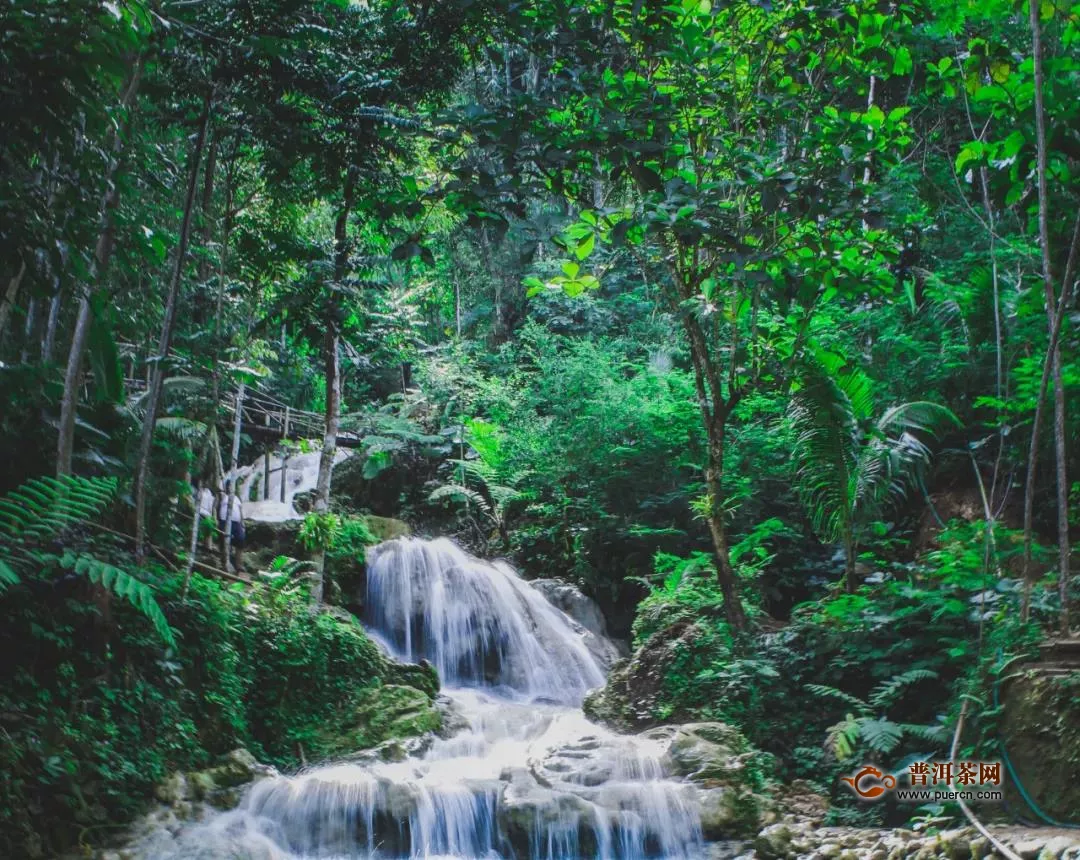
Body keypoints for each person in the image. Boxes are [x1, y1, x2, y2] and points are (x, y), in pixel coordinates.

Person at [218, 488, 246, 573]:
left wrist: (242, 522)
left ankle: (239, 564)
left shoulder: (237, 498)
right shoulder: (222, 496)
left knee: (240, 540)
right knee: (224, 541)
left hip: (236, 523)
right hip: (224, 520)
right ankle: (224, 563)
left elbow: (240, 511)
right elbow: (216, 507)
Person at [197, 485, 216, 550]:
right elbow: (211, 507)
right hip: (204, 512)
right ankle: (208, 547)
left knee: (207, 531)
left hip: (203, 512)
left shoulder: (205, 492)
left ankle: (207, 547)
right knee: (207, 531)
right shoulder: (204, 492)